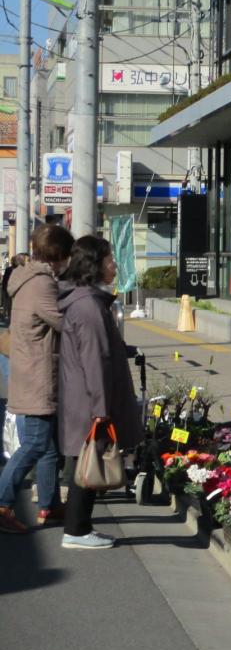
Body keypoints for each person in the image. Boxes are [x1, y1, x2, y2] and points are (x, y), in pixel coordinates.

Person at [57, 236, 144, 549]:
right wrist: (101, 408)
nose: (114, 265)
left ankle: (80, 528)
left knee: (87, 460)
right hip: (91, 401)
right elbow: (96, 360)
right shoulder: (89, 307)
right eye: (109, 260)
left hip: (85, 398)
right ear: (94, 265)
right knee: (89, 462)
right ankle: (77, 531)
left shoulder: (85, 302)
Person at [0, 228, 73, 534]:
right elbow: (64, 322)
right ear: (58, 256)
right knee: (34, 443)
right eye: (67, 255)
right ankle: (3, 503)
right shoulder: (42, 284)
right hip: (38, 374)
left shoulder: (27, 278)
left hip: (31, 369)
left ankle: (50, 504)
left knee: (50, 447)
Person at [0, 252, 28, 324]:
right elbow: (5, 280)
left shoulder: (9, 269)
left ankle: (8, 317)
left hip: (8, 289)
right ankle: (9, 318)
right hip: (11, 290)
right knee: (9, 305)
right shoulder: (13, 270)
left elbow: (5, 280)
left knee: (8, 305)